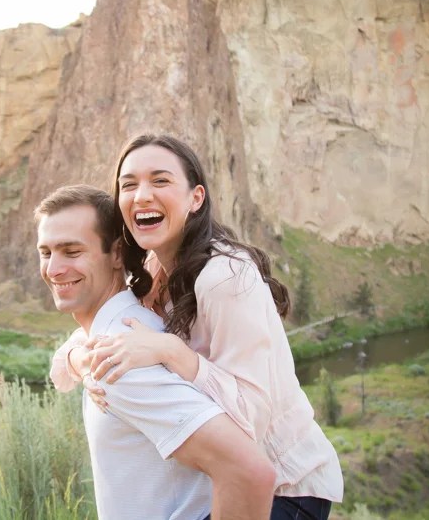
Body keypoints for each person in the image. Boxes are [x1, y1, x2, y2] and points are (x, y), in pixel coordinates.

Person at [50, 134, 344, 520]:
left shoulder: (224, 276)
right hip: (232, 482)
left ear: (196, 198)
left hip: (287, 491)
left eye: (160, 181)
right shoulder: (155, 272)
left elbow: (250, 421)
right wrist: (80, 360)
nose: (141, 195)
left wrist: (171, 352)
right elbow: (80, 348)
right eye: (129, 184)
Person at [35, 184, 276, 520]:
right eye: (46, 253)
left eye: (72, 252)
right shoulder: (133, 330)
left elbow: (250, 473)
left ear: (117, 253)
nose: (54, 269)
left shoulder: (122, 360)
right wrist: (78, 361)